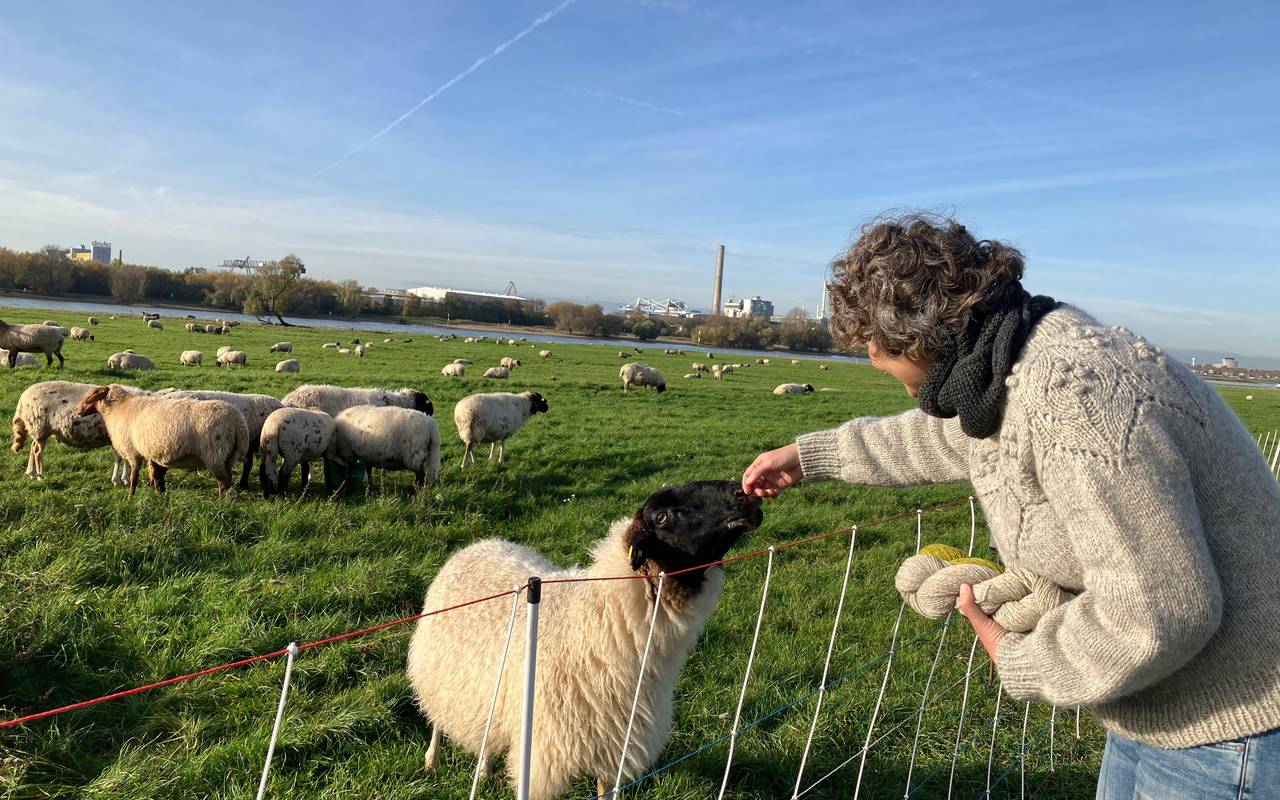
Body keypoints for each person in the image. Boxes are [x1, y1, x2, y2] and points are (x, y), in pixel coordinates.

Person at [741, 213, 1280, 799]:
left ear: (922, 338)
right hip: (1162, 702)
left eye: (882, 357)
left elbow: (1159, 611)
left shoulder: (1074, 395)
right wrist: (808, 455)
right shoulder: (1013, 357)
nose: (885, 371)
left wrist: (1021, 659)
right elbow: (943, 437)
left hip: (1231, 720)